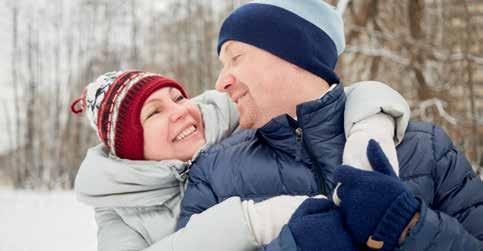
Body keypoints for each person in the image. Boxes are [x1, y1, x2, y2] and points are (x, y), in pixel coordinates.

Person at [177, 0, 483, 250]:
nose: (221, 82)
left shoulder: (428, 148)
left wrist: (410, 225)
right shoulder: (212, 172)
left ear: (294, 55)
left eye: (236, 58)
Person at [72, 69, 411, 251]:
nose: (181, 112)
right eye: (154, 112)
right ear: (131, 147)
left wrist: (370, 125)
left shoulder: (231, 118)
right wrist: (248, 223)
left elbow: (327, 102)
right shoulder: (122, 212)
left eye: (178, 97)